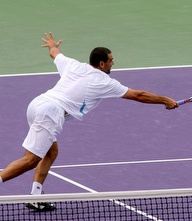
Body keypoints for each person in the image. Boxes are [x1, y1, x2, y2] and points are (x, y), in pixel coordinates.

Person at [0, 32, 179, 211]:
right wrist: (164, 100)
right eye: (111, 60)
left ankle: (35, 196)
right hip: (51, 113)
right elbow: (138, 95)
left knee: (50, 152)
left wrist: (53, 45)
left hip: (37, 104)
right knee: (30, 159)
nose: (113, 63)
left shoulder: (73, 65)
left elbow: (55, 53)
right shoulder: (104, 82)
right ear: (102, 64)